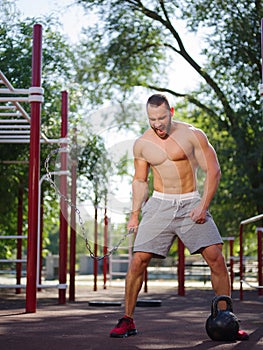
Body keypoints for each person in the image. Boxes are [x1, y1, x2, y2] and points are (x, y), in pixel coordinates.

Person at [109, 94, 248, 341]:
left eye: (162, 118)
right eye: (152, 119)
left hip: (190, 202)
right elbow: (140, 180)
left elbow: (213, 170)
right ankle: (127, 320)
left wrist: (203, 206)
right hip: (159, 204)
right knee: (138, 260)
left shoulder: (192, 135)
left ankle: (227, 320)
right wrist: (134, 215)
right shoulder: (142, 143)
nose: (157, 124)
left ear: (171, 111)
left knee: (215, 256)